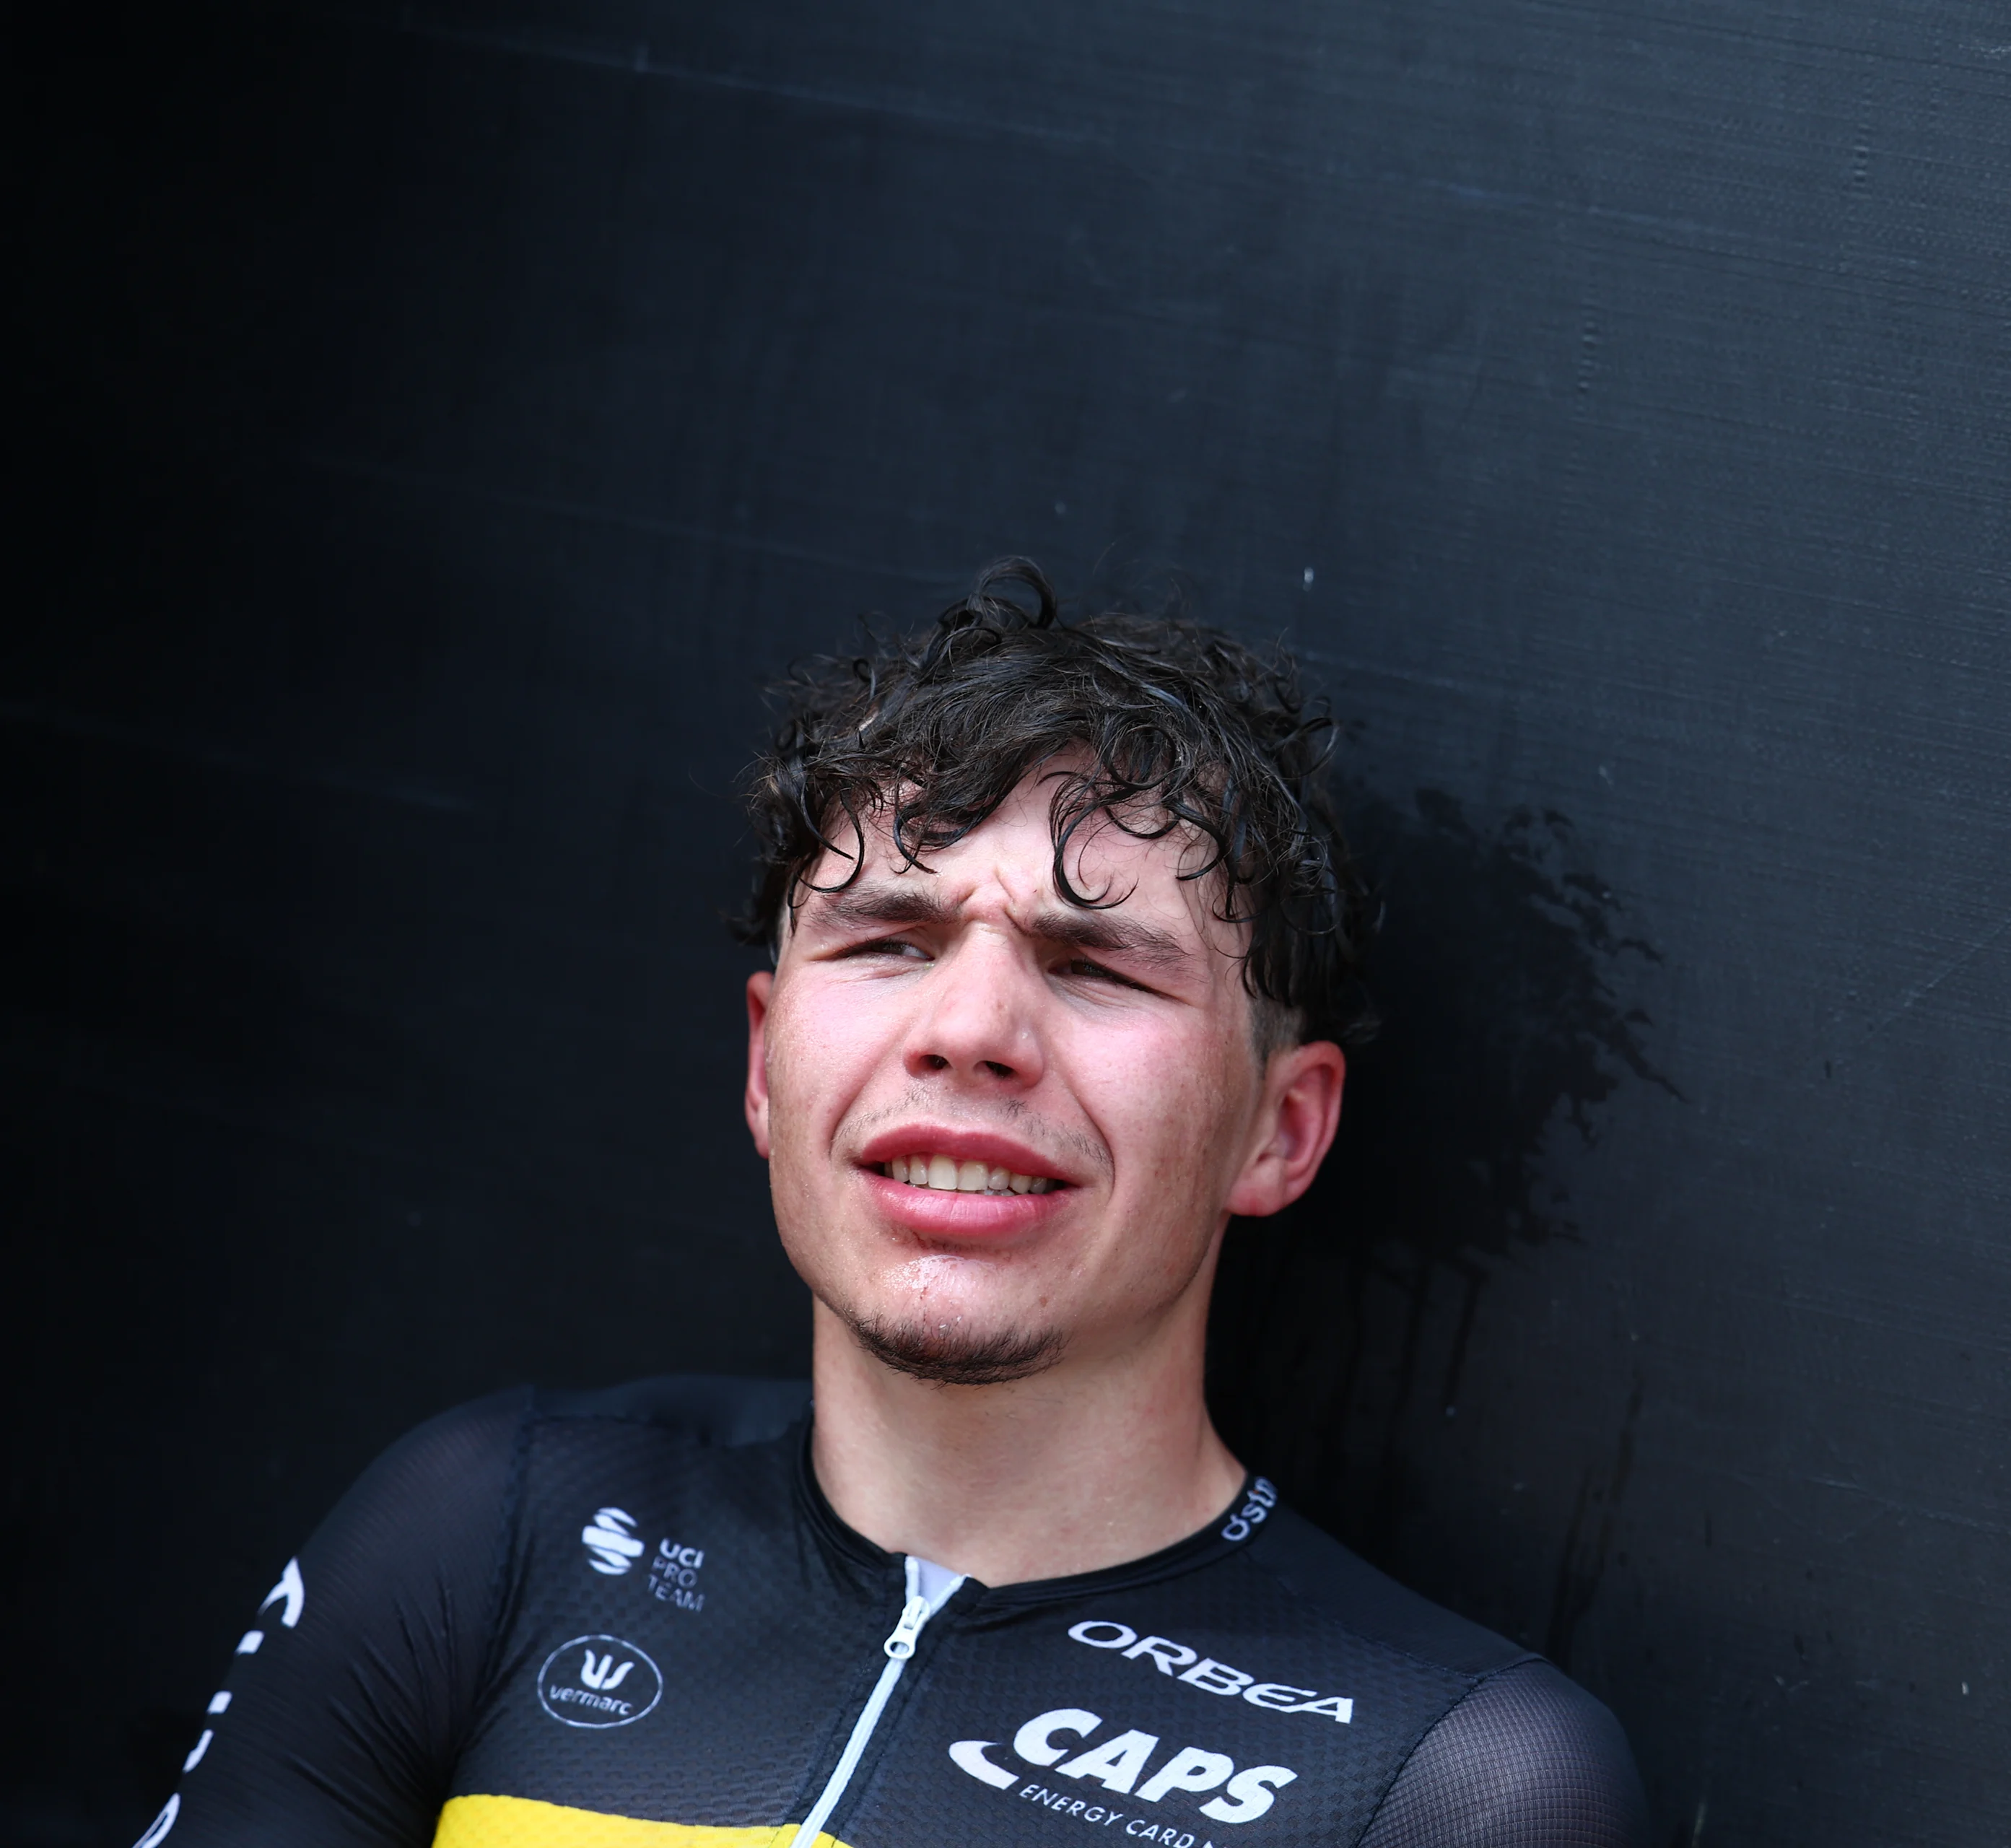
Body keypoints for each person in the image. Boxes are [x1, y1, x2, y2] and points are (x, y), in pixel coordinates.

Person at [136, 560, 1650, 1848]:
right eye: (887, 940)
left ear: (1281, 1126)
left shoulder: (1454, 1779)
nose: (970, 1028)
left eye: (1095, 963)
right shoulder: (492, 1526)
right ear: (763, 1064)